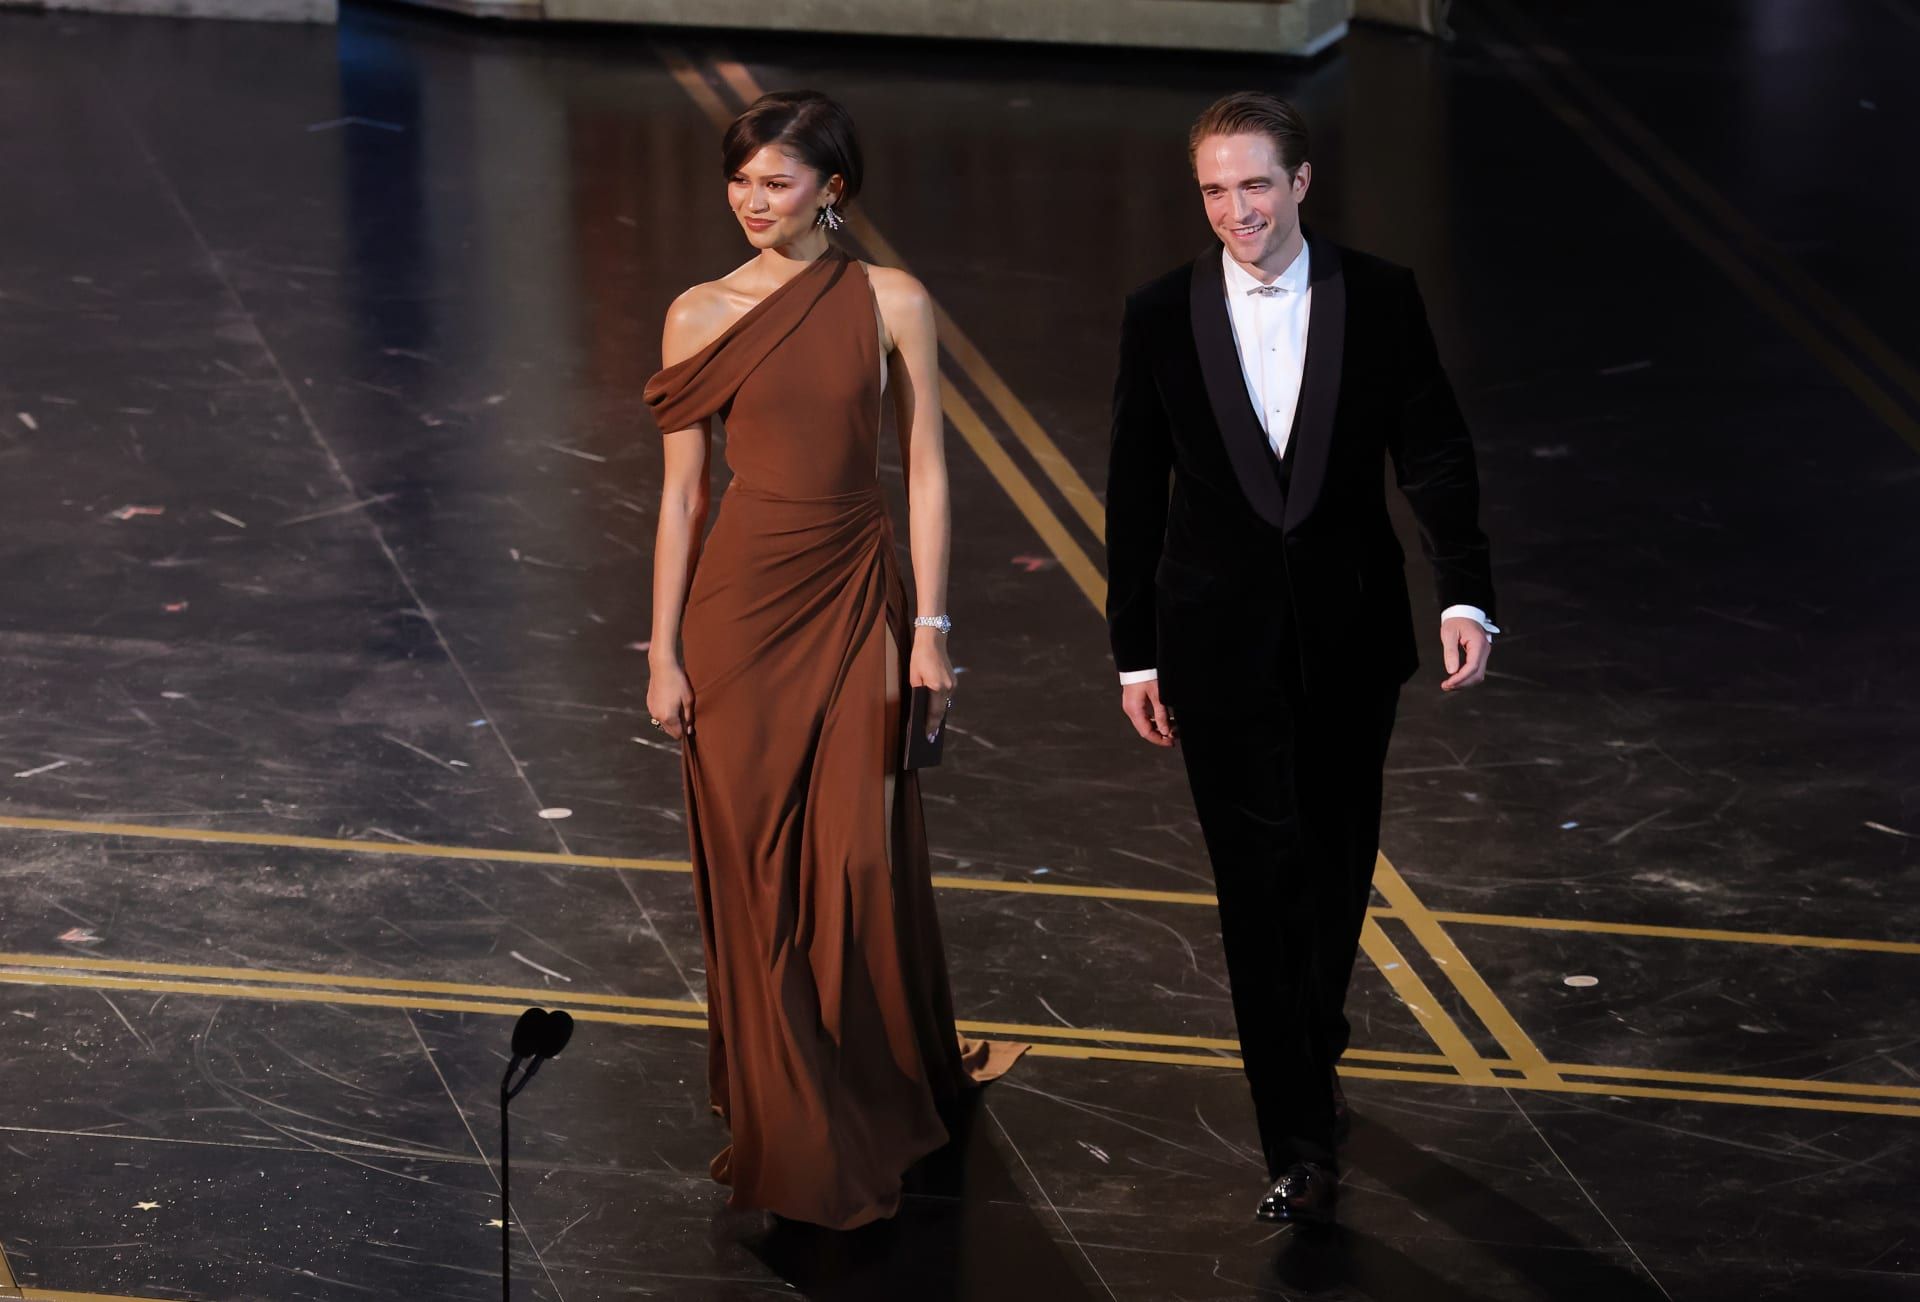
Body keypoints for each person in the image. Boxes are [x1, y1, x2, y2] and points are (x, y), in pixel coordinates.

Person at [1104, 91, 1498, 1224]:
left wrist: (1464, 589)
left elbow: (1434, 447)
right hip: (1213, 647)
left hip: (1350, 638)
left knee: (1331, 866)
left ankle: (1313, 1034)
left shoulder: (1378, 295)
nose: (1237, 210)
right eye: (1215, 190)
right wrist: (1135, 655)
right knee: (1253, 886)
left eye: (1256, 185)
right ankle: (1294, 1136)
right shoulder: (1158, 313)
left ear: (1301, 183)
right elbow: (1133, 490)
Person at [642, 90, 1023, 1231]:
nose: (753, 201)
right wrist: (664, 652)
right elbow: (681, 498)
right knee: (755, 878)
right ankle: (795, 1127)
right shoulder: (697, 312)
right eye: (741, 180)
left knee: (857, 864)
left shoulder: (891, 299)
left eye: (778, 181)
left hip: (857, 596)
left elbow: (927, 469)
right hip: (738, 616)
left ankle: (864, 1087)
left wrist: (932, 630)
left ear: (832, 189)